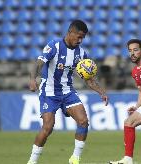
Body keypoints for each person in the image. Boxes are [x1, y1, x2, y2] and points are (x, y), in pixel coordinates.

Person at [27, 20, 109, 164]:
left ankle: (75, 159)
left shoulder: (81, 54)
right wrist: (33, 79)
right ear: (70, 32)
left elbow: (89, 79)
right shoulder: (54, 46)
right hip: (49, 92)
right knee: (47, 127)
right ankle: (32, 161)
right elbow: (38, 63)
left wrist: (101, 92)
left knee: (83, 121)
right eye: (79, 36)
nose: (80, 40)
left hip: (67, 91)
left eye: (83, 37)